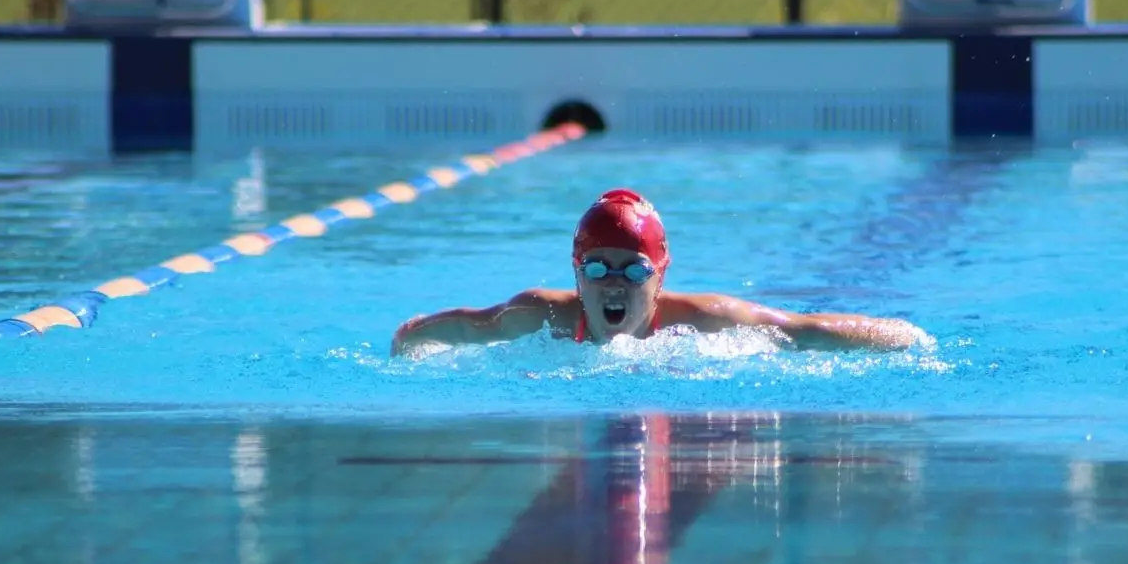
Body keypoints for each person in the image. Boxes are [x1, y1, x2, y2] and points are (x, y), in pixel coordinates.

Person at [390, 189, 926, 356]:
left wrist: (904, 336)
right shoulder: (543, 316)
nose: (615, 283)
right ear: (577, 275)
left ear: (660, 277)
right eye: (598, 267)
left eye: (634, 269)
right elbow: (474, 324)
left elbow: (801, 330)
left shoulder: (704, 324)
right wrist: (413, 335)